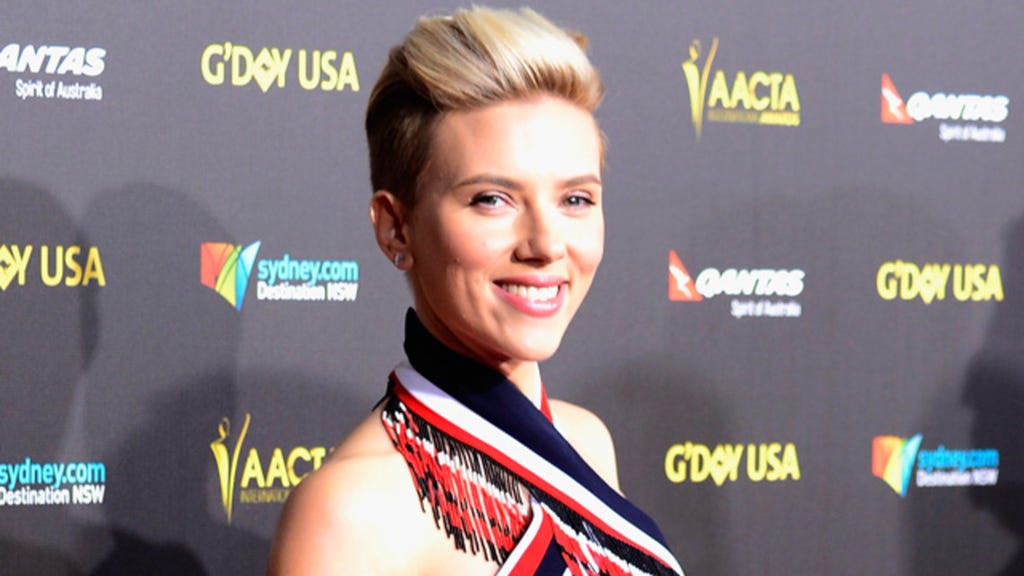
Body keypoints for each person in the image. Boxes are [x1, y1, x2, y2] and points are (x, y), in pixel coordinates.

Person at [267, 6, 684, 575]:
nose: (546, 244)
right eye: (492, 199)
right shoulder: (349, 512)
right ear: (396, 228)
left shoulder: (587, 440)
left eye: (576, 199)